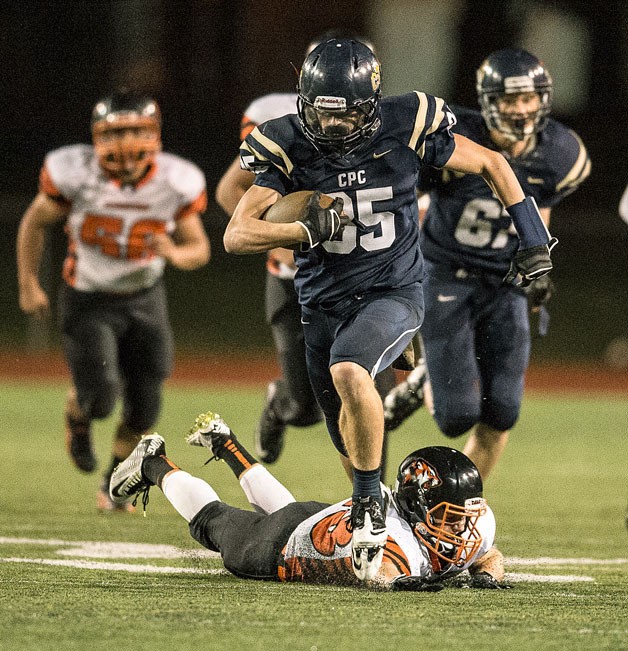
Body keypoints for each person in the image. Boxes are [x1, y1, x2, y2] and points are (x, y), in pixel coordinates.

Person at [222, 38, 556, 581]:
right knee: (347, 436)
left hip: (393, 290)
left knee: (350, 369)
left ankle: (369, 510)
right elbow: (238, 234)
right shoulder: (285, 143)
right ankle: (406, 528)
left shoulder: (406, 122)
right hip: (322, 302)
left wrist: (534, 239)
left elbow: (493, 163)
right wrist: (302, 228)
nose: (331, 128)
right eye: (320, 114)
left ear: (371, 103)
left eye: (344, 115)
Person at [383, 49, 590, 479]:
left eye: (528, 99)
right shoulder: (459, 137)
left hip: (505, 280)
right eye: (510, 100)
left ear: (544, 100)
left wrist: (538, 264)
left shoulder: (560, 151)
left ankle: (465, 508)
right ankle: (426, 379)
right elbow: (407, 193)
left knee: (503, 412)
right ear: (487, 101)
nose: (520, 110)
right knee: (456, 416)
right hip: (446, 273)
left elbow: (540, 208)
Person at [16, 90, 210, 511]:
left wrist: (174, 253)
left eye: (135, 132)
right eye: (116, 135)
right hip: (89, 298)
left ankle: (113, 482)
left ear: (154, 135)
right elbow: (34, 222)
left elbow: (199, 248)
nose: (124, 147)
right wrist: (28, 282)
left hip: (145, 297)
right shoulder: (76, 174)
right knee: (101, 397)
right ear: (96, 138)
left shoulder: (175, 181)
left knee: (144, 405)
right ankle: (78, 413)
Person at [215, 32, 396, 467]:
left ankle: (370, 503)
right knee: (307, 407)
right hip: (298, 279)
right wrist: (284, 241)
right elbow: (230, 191)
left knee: (372, 394)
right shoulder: (276, 119)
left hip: (364, 282)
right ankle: (281, 404)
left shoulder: (391, 121)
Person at [109, 410, 509, 590]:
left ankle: (227, 445)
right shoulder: (396, 540)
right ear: (418, 507)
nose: (464, 526)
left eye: (466, 514)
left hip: (309, 516)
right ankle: (153, 464)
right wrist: (410, 585)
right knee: (213, 521)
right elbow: (382, 575)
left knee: (282, 512)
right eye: (450, 516)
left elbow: (487, 553)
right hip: (276, 551)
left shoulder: (469, 525)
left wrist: (488, 575)